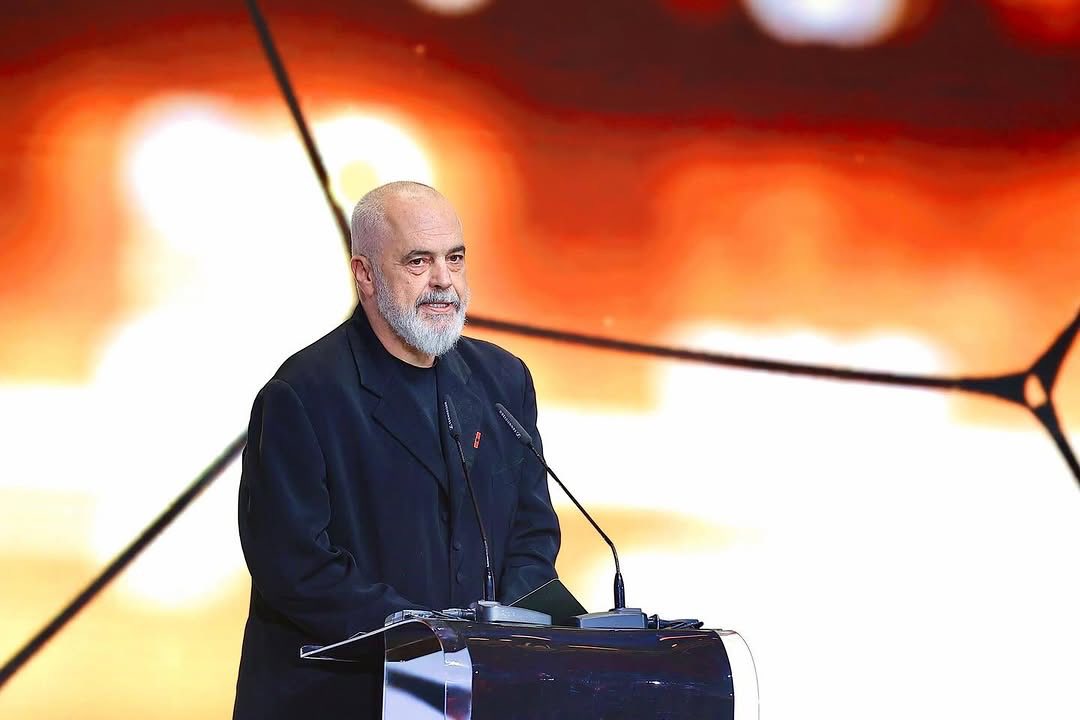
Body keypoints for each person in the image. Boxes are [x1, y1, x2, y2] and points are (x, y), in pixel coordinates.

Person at [232, 181, 561, 719]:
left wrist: (506, 630)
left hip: (474, 694)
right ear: (364, 275)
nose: (444, 280)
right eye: (418, 261)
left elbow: (533, 533)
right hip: (342, 699)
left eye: (455, 258)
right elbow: (295, 566)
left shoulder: (503, 382)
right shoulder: (304, 394)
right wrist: (427, 635)